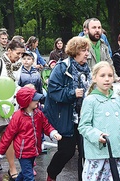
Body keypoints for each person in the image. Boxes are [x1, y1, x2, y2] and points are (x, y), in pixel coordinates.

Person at [43, 36, 92, 181]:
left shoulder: (86, 68)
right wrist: (72, 94)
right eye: (84, 50)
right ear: (75, 51)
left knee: (85, 153)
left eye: (87, 50)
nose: (87, 54)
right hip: (66, 117)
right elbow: (53, 90)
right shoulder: (62, 67)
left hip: (84, 117)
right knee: (67, 151)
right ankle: (51, 175)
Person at [78, 61, 120, 180]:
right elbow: (83, 126)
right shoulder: (90, 100)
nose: (107, 79)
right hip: (97, 155)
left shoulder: (118, 99)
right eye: (102, 76)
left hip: (117, 153)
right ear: (94, 78)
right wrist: (97, 135)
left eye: (110, 75)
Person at [0, 87, 62, 181]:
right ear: (27, 101)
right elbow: (8, 136)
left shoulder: (38, 113)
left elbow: (46, 125)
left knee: (25, 172)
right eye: (34, 100)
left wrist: (52, 132)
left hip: (34, 150)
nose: (37, 101)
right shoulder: (17, 117)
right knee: (29, 177)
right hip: (23, 152)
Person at [0, 39, 25, 180]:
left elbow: (14, 84)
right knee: (8, 135)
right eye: (17, 53)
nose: (19, 56)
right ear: (9, 50)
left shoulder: (18, 65)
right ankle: (12, 167)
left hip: (13, 105)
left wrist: (23, 92)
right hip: (0, 105)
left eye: (22, 53)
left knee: (7, 136)